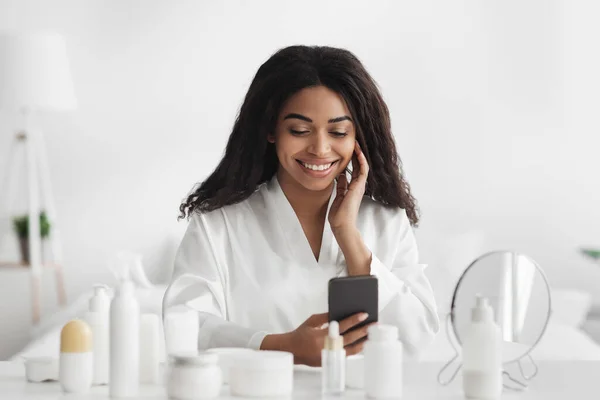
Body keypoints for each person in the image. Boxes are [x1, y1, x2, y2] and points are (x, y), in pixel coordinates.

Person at [166, 45, 439, 367]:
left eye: (338, 131)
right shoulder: (218, 225)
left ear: (358, 137)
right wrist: (278, 345)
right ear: (271, 130)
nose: (320, 149)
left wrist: (348, 237)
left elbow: (419, 340)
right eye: (299, 130)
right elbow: (183, 327)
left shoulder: (388, 223)